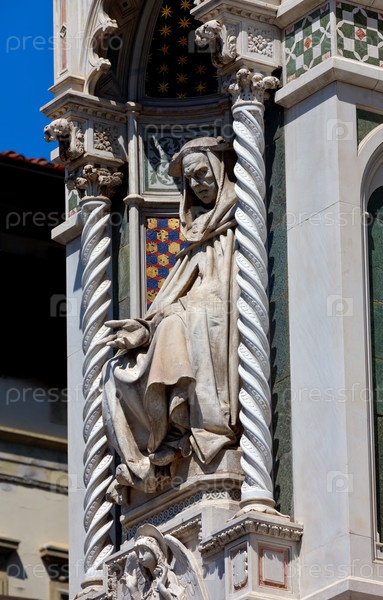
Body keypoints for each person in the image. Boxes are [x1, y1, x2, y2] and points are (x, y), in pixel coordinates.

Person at [101, 136, 240, 498]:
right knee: (116, 369)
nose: (198, 184)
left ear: (220, 169)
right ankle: (159, 443)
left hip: (222, 314)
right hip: (194, 313)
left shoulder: (242, 217)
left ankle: (187, 428)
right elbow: (172, 293)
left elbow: (227, 288)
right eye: (190, 179)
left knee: (181, 322)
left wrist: (177, 313)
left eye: (203, 173)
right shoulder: (198, 232)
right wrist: (143, 329)